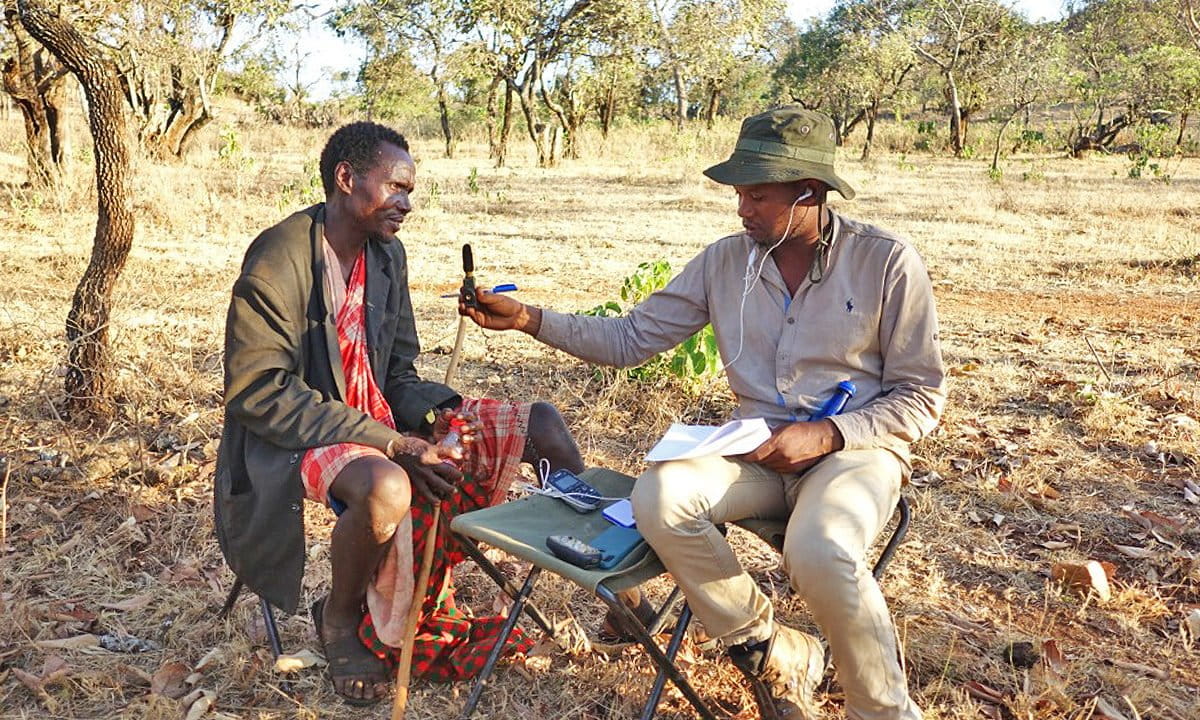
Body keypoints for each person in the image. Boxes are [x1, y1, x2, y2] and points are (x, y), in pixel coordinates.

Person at [460, 105, 945, 719]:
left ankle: (885, 711)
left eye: (758, 195)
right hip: (759, 450)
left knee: (820, 550)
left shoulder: (885, 262)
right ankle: (770, 650)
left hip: (854, 452)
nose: (741, 208)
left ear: (810, 192)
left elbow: (921, 394)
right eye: (739, 192)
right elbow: (631, 339)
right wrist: (528, 319)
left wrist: (826, 433)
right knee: (658, 497)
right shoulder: (725, 262)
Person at [213, 121, 585, 706]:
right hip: (297, 435)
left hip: (378, 421)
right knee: (389, 487)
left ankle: (618, 594)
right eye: (396, 188)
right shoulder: (279, 257)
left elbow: (399, 373)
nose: (407, 204)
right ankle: (339, 619)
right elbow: (260, 393)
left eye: (410, 191)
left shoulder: (386, 254)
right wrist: (392, 443)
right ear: (346, 178)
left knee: (540, 425)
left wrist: (434, 416)